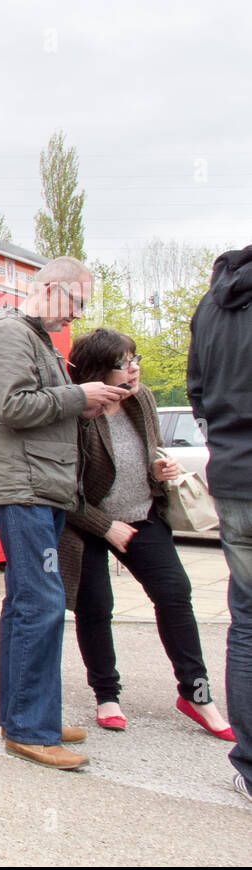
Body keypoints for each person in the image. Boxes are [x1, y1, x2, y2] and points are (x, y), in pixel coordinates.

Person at [0, 256, 127, 771]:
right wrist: (78, 395)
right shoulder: (9, 334)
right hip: (24, 487)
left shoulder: (33, 337)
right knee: (40, 603)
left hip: (38, 485)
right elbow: (14, 407)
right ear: (54, 290)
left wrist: (79, 402)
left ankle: (28, 713)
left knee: (27, 603)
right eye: (78, 303)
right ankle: (29, 727)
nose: (78, 318)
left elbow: (37, 404)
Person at [58, 328, 231, 738]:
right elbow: (61, 489)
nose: (134, 369)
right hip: (88, 523)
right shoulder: (76, 411)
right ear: (96, 371)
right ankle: (107, 695)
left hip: (143, 516)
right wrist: (105, 526)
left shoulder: (143, 399)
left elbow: (149, 450)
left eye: (135, 359)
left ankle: (196, 693)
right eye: (124, 363)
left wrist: (160, 469)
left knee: (175, 593)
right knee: (96, 607)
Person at [186, 242, 252, 804]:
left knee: (247, 623)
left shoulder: (210, 308)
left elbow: (198, 394)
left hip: (235, 478)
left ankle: (250, 769)